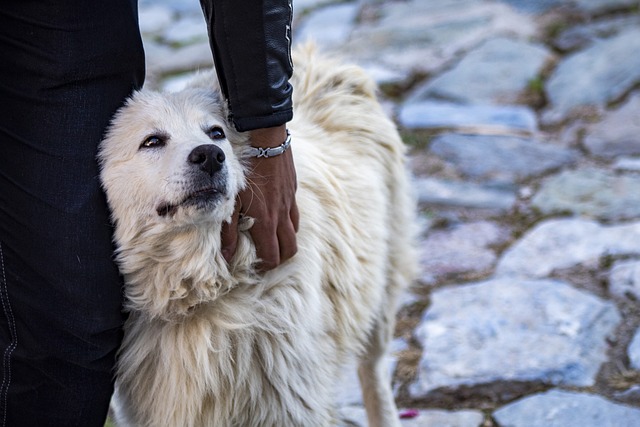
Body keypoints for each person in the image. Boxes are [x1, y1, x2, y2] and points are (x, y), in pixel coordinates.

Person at [0, 0, 298, 425]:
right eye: (155, 142)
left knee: (68, 320)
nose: (207, 153)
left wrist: (269, 133)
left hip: (58, 24)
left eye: (214, 136)